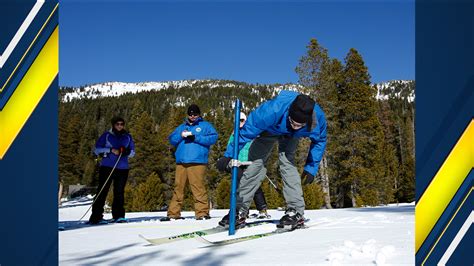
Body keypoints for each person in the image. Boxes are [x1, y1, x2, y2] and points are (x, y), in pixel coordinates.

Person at [217, 90, 327, 229]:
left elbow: (320, 141)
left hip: (291, 136)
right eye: (293, 122)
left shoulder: (317, 120)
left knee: (287, 163)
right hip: (270, 129)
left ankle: (295, 211)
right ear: (289, 114)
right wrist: (229, 155)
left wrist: (311, 168)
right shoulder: (271, 111)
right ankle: (239, 210)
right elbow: (246, 131)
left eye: (300, 125)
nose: (295, 126)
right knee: (255, 163)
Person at [162, 104, 218, 221]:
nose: (193, 116)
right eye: (191, 114)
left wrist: (195, 137)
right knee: (178, 188)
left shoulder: (205, 126)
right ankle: (173, 213)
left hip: (197, 162)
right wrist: (181, 135)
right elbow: (172, 140)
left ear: (199, 114)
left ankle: (202, 213)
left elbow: (213, 138)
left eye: (195, 114)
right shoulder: (182, 127)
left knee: (198, 187)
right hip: (181, 162)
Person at [216, 112, 270, 221]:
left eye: (242, 120)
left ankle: (262, 209)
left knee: (255, 187)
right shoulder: (234, 134)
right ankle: (243, 210)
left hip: (250, 163)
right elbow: (230, 148)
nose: (240, 123)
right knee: (240, 186)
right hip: (238, 163)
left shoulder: (251, 132)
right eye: (238, 121)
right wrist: (228, 159)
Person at [89, 116, 135, 224]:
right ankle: (96, 216)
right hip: (107, 167)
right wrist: (110, 150)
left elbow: (133, 152)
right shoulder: (107, 135)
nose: (119, 126)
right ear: (113, 125)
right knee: (102, 191)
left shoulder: (127, 137)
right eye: (117, 124)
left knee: (119, 193)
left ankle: (119, 216)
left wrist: (126, 152)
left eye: (121, 124)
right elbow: (97, 149)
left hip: (123, 168)